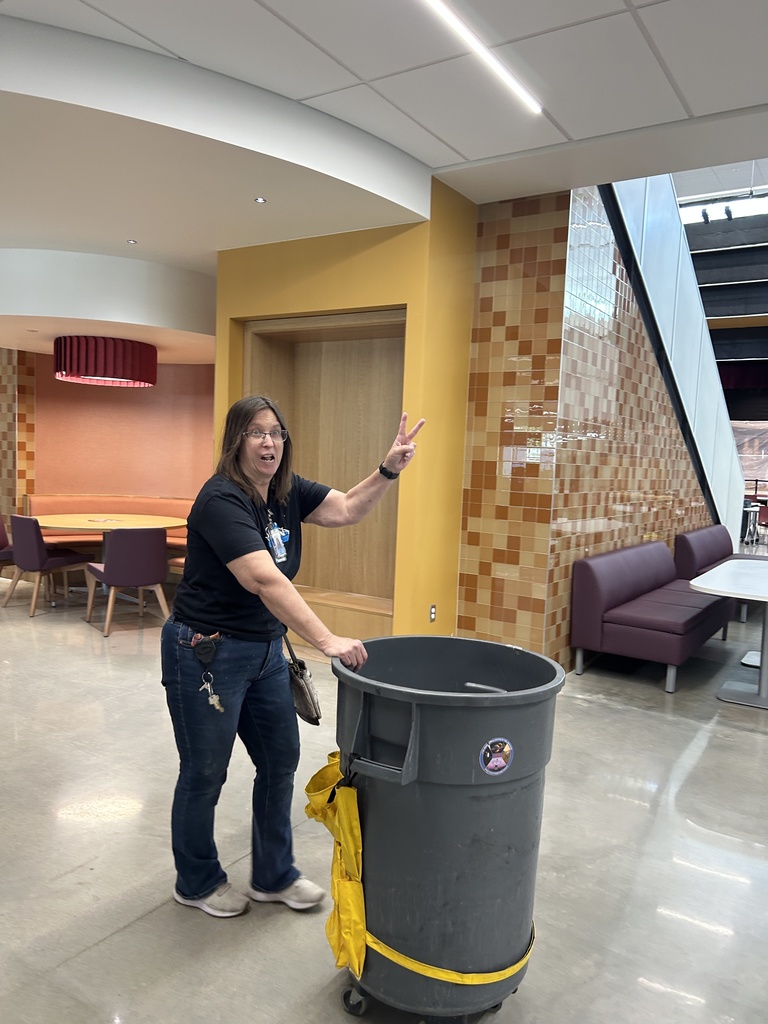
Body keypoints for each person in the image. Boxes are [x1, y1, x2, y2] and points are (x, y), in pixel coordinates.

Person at [161, 395, 425, 918]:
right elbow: (261, 577)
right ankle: (195, 880)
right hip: (205, 654)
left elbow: (347, 508)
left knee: (280, 761)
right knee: (205, 771)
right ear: (236, 441)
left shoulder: (286, 491)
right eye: (257, 433)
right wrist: (326, 640)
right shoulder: (221, 500)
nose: (269, 442)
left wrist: (386, 471)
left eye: (277, 433)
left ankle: (273, 875)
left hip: (264, 653)